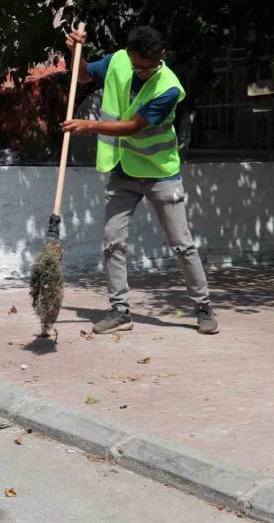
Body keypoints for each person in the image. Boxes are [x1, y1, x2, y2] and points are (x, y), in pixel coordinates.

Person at [62, 26, 218, 335]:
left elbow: (133, 126)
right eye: (138, 65)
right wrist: (74, 52)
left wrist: (89, 126)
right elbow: (81, 76)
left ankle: (203, 307)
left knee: (181, 244)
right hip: (124, 171)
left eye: (150, 65)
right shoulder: (118, 60)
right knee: (112, 241)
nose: (144, 71)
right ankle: (120, 310)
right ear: (130, 55)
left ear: (161, 54)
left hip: (161, 173)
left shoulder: (169, 87)